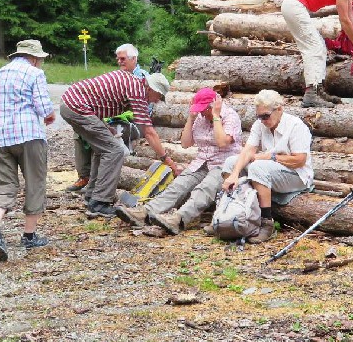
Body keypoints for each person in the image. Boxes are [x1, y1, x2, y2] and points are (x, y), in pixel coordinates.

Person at [117, 87, 242, 234]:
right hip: (202, 162)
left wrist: (215, 116)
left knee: (205, 189)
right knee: (178, 185)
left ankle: (178, 219)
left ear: (213, 105)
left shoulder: (230, 116)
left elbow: (222, 142)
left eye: (204, 109)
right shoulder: (200, 117)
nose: (201, 112)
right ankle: (145, 212)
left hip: (224, 164)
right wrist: (191, 118)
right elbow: (185, 143)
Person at [60, 68, 171, 217]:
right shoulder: (138, 91)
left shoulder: (134, 83)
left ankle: (92, 196)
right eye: (158, 96)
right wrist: (166, 159)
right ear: (151, 88)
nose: (157, 100)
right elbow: (149, 132)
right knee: (114, 151)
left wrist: (105, 128)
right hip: (76, 107)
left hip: (72, 104)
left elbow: (97, 101)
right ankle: (100, 203)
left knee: (103, 149)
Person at [0, 39, 56, 261]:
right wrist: (50, 116)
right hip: (27, 135)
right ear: (34, 58)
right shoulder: (34, 74)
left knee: (3, 185)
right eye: (40, 59)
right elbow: (44, 107)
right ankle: (29, 235)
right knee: (35, 182)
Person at [220, 89, 313, 243]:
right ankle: (230, 213)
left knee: (258, 167)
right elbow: (248, 150)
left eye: (266, 116)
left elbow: (299, 160)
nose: (262, 120)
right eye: (259, 116)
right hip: (271, 170)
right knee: (231, 162)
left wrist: (271, 157)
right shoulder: (260, 125)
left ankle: (266, 222)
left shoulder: (296, 126)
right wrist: (235, 174)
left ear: (279, 109)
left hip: (297, 175)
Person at [65, 43, 148, 193]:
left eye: (122, 59)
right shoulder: (121, 75)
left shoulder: (142, 78)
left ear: (133, 58)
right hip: (88, 111)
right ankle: (97, 195)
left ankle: (93, 192)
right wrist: (105, 123)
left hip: (129, 122)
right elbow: (98, 102)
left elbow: (144, 116)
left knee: (106, 147)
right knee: (112, 149)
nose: (119, 62)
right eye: (118, 59)